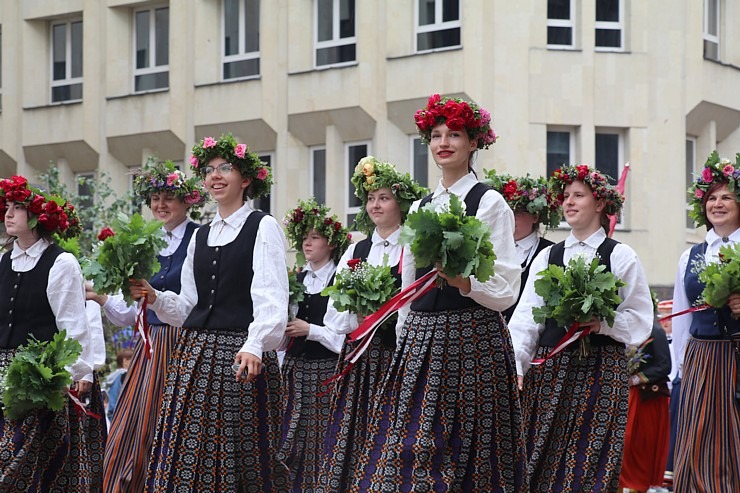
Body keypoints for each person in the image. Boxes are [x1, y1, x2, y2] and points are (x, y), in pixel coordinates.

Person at [350, 94, 525, 492]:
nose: (444, 142)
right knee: (410, 446)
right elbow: (410, 283)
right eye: (437, 135)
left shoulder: (489, 202)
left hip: (472, 337)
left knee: (470, 447)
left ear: (473, 143)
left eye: (455, 135)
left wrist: (466, 283)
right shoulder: (421, 207)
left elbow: (506, 288)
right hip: (423, 339)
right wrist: (406, 339)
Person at [129, 134, 290, 492]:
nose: (215, 176)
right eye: (210, 170)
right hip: (195, 357)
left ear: (245, 179)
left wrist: (254, 344)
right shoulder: (200, 236)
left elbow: (272, 299)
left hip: (240, 357)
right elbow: (187, 306)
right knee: (187, 451)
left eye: (226, 168)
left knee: (242, 455)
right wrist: (153, 296)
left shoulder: (262, 227)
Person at [509, 164, 653, 492]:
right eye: (566, 196)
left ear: (600, 204)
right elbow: (527, 317)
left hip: (601, 371)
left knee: (592, 458)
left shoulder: (621, 256)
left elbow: (641, 318)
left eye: (578, 195)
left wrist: (602, 323)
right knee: (541, 452)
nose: (568, 202)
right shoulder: (549, 256)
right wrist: (517, 364)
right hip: (551, 369)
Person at [85, 159, 206, 493]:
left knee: (171, 427)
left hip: (183, 345)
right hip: (148, 345)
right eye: (154, 197)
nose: (160, 204)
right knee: (130, 430)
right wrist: (101, 298)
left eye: (168, 196)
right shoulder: (145, 241)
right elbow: (130, 312)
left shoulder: (201, 238)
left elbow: (194, 303)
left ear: (188, 200)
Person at [317, 156, 426, 493]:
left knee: (392, 436)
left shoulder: (413, 248)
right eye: (370, 198)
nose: (375, 205)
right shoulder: (356, 248)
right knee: (352, 435)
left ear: (400, 203)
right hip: (360, 361)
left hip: (396, 358)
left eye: (384, 198)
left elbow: (415, 307)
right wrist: (359, 317)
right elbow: (332, 315)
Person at [0, 175, 98, 491]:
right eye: (7, 207)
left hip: (36, 377)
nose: (8, 213)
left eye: (18, 207)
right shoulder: (2, 260)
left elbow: (73, 327)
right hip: (1, 372)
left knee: (24, 463)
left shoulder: (61, 263)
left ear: (38, 216)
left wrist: (71, 374)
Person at [672, 151, 740, 492]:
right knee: (698, 438)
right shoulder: (690, 255)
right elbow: (683, 316)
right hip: (702, 357)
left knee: (735, 436)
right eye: (712, 197)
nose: (718, 203)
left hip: (736, 355)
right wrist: (679, 370)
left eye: (727, 196)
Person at [279, 198, 350, 492]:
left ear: (331, 243)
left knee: (322, 436)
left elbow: (345, 334)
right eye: (305, 238)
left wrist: (311, 330)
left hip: (327, 371)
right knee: (291, 436)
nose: (308, 244)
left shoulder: (341, 279)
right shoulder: (296, 278)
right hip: (296, 370)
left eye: (315, 237)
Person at [483, 170, 560, 322]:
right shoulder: (488, 248)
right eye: (507, 210)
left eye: (518, 212)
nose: (510, 216)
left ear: (535, 216)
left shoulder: (551, 253)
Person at [619, 321, 672, 492]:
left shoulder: (655, 330)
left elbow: (665, 365)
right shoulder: (623, 328)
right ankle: (625, 483)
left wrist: (637, 378)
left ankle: (639, 483)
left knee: (642, 442)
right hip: (628, 394)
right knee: (626, 440)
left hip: (647, 397)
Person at [105, 348, 133, 422]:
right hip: (121, 418)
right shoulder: (123, 376)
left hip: (115, 415)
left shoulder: (115, 376)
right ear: (125, 361)